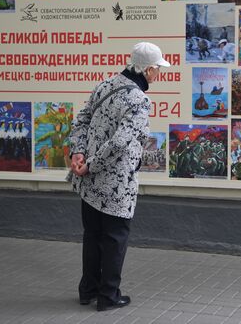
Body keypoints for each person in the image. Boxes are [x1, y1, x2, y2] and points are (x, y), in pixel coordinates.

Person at [68, 42, 170, 312]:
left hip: (89, 182)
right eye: (158, 68)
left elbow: (81, 120)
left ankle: (88, 289)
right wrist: (91, 164)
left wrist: (77, 154)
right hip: (115, 184)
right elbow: (120, 143)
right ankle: (108, 296)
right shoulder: (138, 99)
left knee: (92, 234)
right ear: (148, 70)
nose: (158, 73)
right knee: (114, 238)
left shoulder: (105, 84)